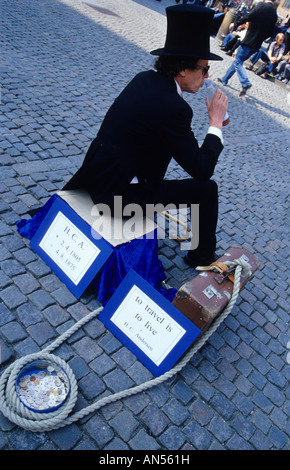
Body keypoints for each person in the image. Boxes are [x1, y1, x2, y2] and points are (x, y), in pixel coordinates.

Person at [63, 5, 228, 269]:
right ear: (183, 69)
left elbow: (153, 136)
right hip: (114, 200)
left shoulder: (144, 80)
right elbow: (202, 170)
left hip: (95, 179)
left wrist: (204, 138)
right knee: (206, 190)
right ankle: (201, 256)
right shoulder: (176, 107)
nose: (207, 77)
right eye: (204, 69)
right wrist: (216, 123)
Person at [218, 0, 277, 96]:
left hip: (249, 40)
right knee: (238, 61)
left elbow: (249, 16)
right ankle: (225, 79)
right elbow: (270, 33)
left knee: (238, 61)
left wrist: (236, 23)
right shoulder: (274, 15)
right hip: (256, 45)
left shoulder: (261, 6)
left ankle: (245, 83)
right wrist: (260, 38)